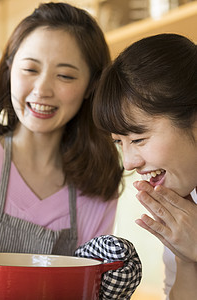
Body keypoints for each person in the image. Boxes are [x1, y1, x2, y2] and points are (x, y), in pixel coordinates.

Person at [0, 2, 123, 255]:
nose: (42, 89)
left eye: (65, 76)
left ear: (91, 86)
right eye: (30, 69)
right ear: (9, 70)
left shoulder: (100, 182)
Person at [92, 33, 197, 299]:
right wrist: (186, 257)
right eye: (119, 142)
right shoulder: (185, 207)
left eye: (138, 138)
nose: (129, 162)